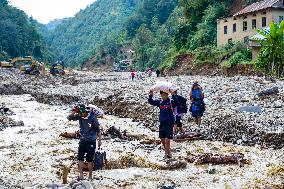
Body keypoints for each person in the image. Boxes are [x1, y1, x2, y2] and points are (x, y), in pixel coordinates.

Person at [67, 104, 102, 180]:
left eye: (82, 113)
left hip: (91, 141)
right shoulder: (80, 116)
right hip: (83, 140)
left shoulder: (92, 118)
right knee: (80, 158)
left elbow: (98, 130)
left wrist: (99, 140)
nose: (81, 115)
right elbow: (69, 118)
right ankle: (81, 175)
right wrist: (74, 112)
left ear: (86, 112)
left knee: (89, 160)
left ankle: (90, 176)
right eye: (80, 113)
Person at [148, 90, 177, 159]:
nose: (164, 95)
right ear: (161, 95)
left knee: (167, 140)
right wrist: (151, 95)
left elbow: (176, 102)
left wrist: (173, 94)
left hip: (169, 123)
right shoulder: (160, 102)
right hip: (162, 122)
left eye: (165, 94)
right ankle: (168, 152)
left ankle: (165, 155)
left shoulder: (171, 101)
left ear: (167, 94)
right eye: (162, 94)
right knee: (162, 139)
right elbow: (151, 102)